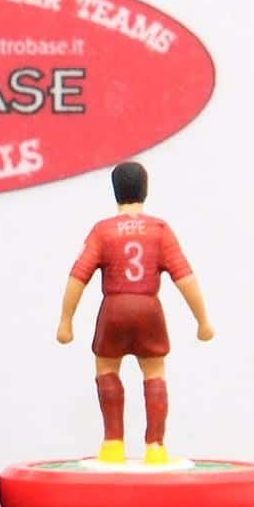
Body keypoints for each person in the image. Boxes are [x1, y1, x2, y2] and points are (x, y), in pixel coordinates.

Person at [56, 162, 214, 465]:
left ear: (115, 191)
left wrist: (66, 321)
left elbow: (78, 275)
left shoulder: (103, 231)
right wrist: (202, 320)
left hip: (114, 310)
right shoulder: (159, 230)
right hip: (148, 310)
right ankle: (155, 447)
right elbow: (185, 277)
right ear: (146, 189)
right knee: (154, 373)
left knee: (106, 369)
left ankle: (113, 444)